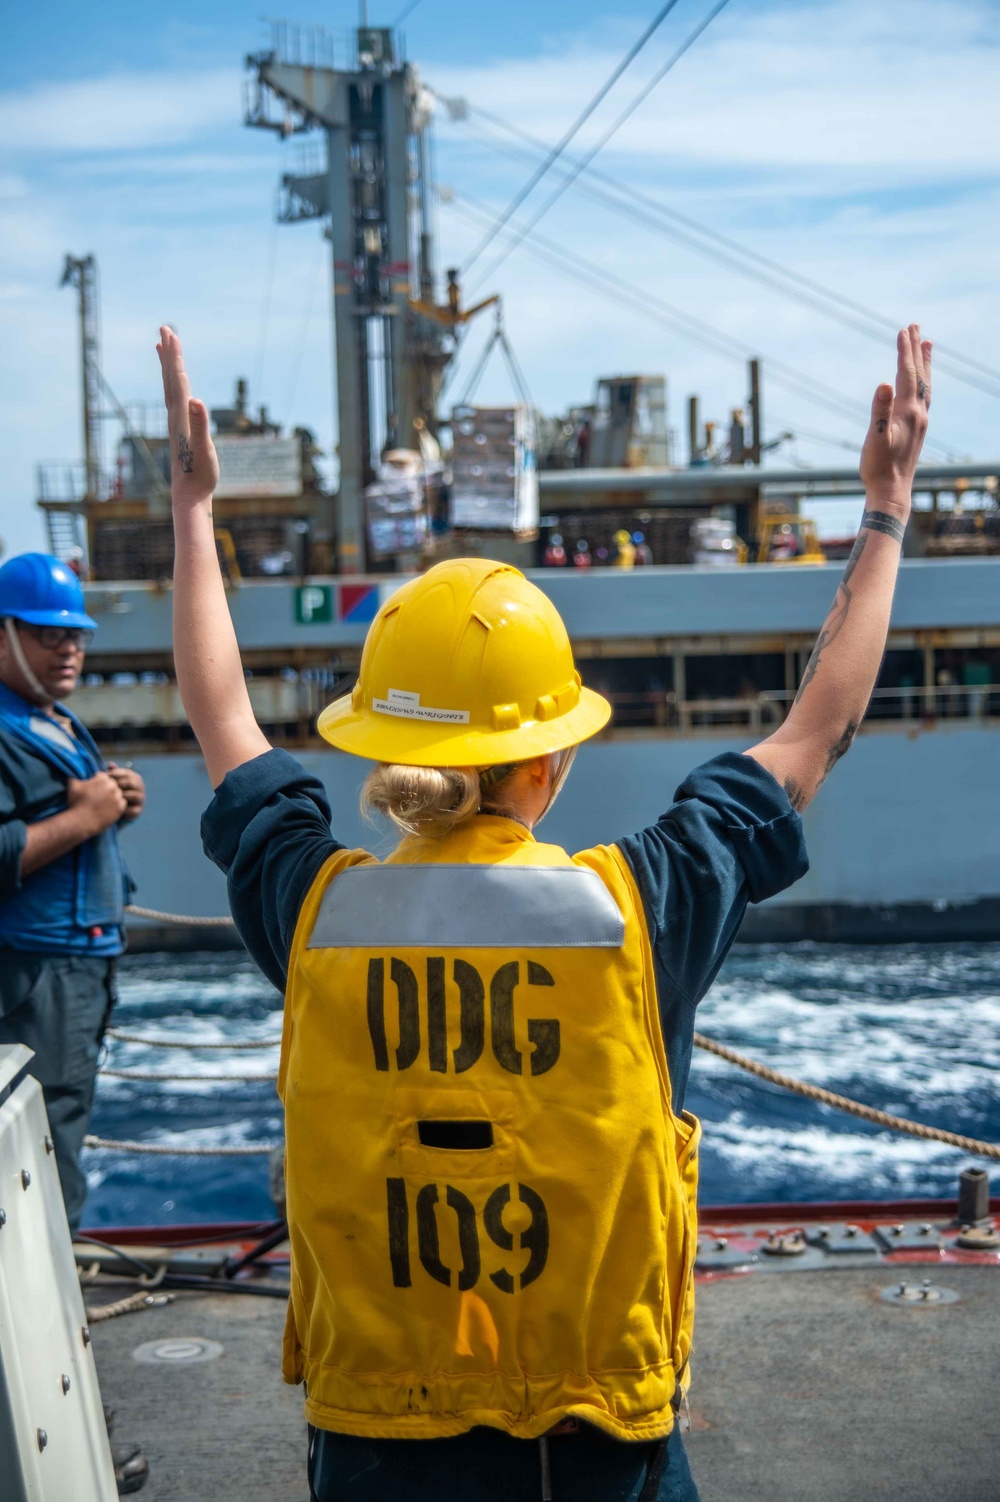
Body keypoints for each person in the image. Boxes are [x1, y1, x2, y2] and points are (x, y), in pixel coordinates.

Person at [158, 321, 930, 1502]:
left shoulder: (315, 909)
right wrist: (884, 510)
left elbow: (223, 721)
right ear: (549, 763)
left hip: (378, 1437)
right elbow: (812, 730)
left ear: (379, 747)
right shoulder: (640, 904)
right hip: (596, 1444)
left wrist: (194, 513)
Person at [0, 553, 148, 1495]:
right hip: (38, 979)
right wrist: (91, 814)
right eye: (50, 632)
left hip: (74, 973)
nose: (70, 648)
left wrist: (108, 804)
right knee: (44, 1200)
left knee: (57, 1183)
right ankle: (57, 1421)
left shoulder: (46, 721)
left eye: (77, 633)